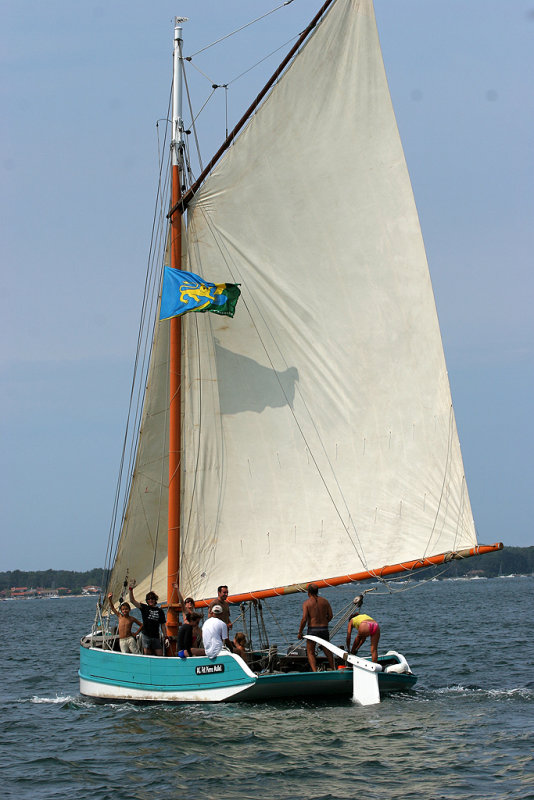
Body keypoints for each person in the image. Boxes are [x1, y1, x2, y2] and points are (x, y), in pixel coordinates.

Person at [297, 582, 334, 671]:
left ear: (308, 592)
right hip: (324, 629)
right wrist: (325, 621)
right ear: (317, 591)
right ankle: (333, 668)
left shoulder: (306, 603)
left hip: (313, 630)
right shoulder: (325, 601)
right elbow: (331, 616)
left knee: (310, 652)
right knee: (327, 650)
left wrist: (300, 632)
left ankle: (315, 671)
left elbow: (304, 619)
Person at [129, 583, 168, 656]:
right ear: (146, 600)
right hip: (146, 635)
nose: (151, 600)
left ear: (155, 600)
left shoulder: (160, 611)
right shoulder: (144, 608)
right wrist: (130, 590)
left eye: (152, 598)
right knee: (147, 654)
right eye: (149, 599)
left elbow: (163, 625)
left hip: (156, 636)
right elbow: (132, 600)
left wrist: (166, 636)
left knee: (159, 654)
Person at [172, 581, 203, 648]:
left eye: (191, 602)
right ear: (185, 605)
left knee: (194, 651)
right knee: (187, 651)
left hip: (194, 636)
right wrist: (177, 589)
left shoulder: (195, 615)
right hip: (186, 635)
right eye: (188, 602)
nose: (190, 603)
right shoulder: (186, 612)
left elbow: (197, 628)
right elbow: (181, 601)